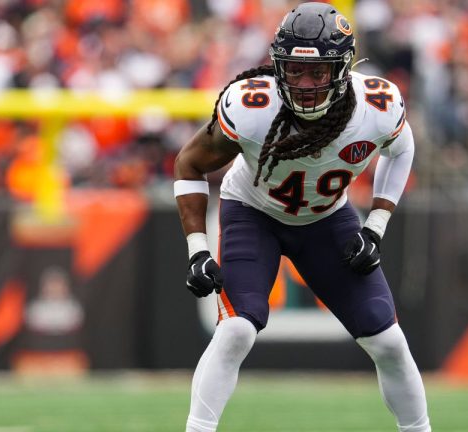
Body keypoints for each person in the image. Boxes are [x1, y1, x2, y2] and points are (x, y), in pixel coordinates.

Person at [173, 3, 430, 431]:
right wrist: (197, 250)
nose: (306, 84)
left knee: (387, 341)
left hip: (327, 219)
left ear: (343, 69)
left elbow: (402, 149)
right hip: (253, 213)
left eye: (318, 72)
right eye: (294, 70)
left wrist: (376, 225)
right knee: (236, 329)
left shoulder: (376, 105)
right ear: (278, 66)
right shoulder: (253, 105)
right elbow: (189, 163)